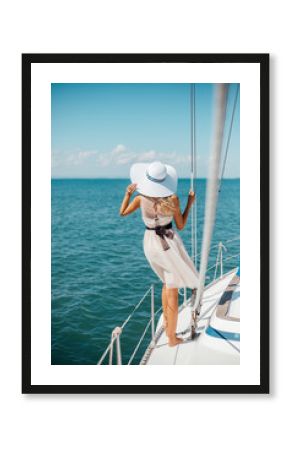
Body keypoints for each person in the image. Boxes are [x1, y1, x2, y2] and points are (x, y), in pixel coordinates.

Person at [119, 161, 199, 347]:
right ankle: (172, 338)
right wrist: (190, 203)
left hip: (150, 244)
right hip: (168, 244)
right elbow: (180, 225)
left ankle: (166, 324)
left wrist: (128, 193)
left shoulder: (140, 198)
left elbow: (122, 213)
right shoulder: (173, 199)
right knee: (173, 289)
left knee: (166, 283)